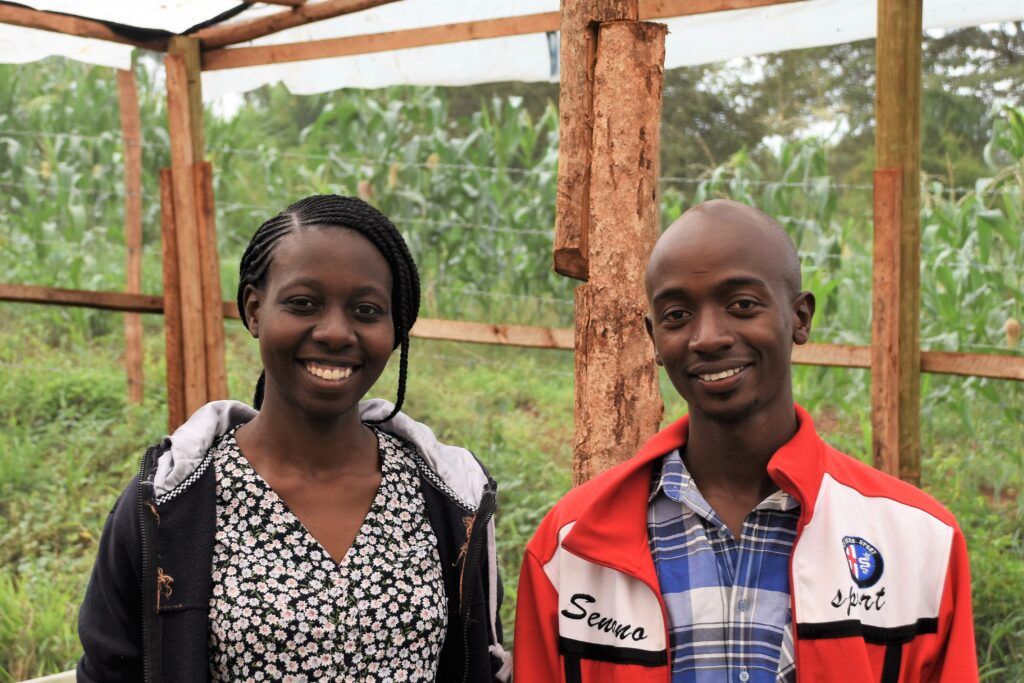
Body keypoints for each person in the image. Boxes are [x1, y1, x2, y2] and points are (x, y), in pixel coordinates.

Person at [513, 199, 977, 682]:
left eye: (742, 305)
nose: (708, 337)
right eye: (677, 315)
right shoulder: (568, 548)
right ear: (653, 339)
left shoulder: (919, 542)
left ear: (799, 318)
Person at [77, 195, 510, 682]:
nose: (334, 332)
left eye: (367, 311)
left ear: (396, 329)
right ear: (254, 310)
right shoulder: (167, 503)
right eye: (303, 304)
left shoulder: (450, 498)